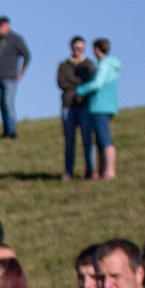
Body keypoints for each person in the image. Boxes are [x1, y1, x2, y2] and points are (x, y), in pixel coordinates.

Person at [55, 38, 100, 181]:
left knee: (88, 140)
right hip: (68, 106)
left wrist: (80, 90)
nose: (79, 50)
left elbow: (91, 82)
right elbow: (62, 82)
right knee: (69, 141)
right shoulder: (63, 65)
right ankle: (68, 172)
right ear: (71, 47)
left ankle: (90, 170)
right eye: (76, 47)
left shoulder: (89, 65)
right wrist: (79, 88)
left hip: (84, 106)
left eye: (82, 48)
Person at [81, 38, 120, 181]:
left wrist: (81, 90)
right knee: (99, 140)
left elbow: (97, 84)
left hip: (99, 106)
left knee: (104, 139)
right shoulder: (111, 65)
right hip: (106, 105)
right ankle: (102, 171)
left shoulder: (104, 64)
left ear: (97, 49)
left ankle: (110, 171)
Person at [0, 16, 31, 139]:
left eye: (0, 26)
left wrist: (21, 73)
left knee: (8, 104)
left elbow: (27, 56)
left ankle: (12, 132)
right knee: (2, 105)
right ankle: (6, 131)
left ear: (7, 25)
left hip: (10, 78)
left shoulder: (16, 39)